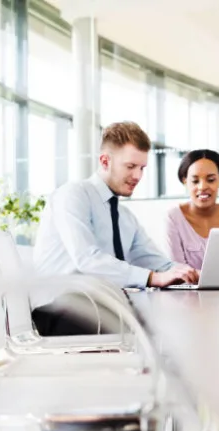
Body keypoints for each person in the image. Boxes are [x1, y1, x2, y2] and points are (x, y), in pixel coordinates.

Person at [32, 121, 199, 335]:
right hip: (59, 309)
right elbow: (87, 259)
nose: (138, 176)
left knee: (169, 320)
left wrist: (194, 274)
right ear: (105, 161)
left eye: (142, 168)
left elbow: (156, 262)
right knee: (155, 328)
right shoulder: (73, 195)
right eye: (130, 166)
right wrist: (152, 278)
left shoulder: (125, 217)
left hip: (101, 306)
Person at [165, 149, 219, 270]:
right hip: (185, 289)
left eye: (210, 180)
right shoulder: (173, 217)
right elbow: (177, 271)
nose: (202, 187)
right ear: (185, 182)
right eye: (195, 181)